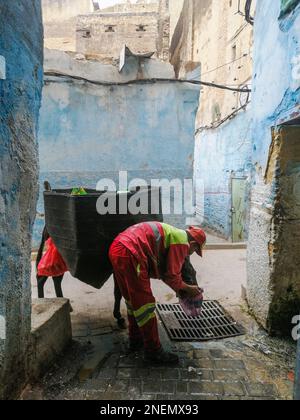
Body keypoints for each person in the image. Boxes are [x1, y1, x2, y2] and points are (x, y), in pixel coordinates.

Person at [109, 221, 206, 365]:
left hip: (117, 248)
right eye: (194, 251)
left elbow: (167, 275)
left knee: (132, 301)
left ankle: (135, 340)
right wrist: (188, 289)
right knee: (145, 306)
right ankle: (153, 351)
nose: (190, 254)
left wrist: (180, 288)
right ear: (192, 244)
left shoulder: (174, 234)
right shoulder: (181, 243)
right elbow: (171, 276)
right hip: (131, 253)